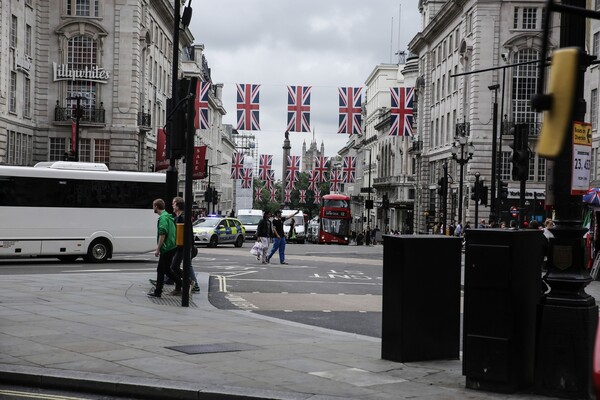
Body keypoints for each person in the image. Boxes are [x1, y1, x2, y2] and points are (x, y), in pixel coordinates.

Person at [148, 199, 181, 298]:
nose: (153, 208)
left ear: (156, 207)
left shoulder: (163, 218)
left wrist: (158, 249)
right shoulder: (168, 216)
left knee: (166, 270)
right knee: (161, 270)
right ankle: (158, 291)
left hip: (167, 248)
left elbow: (163, 233)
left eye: (153, 206)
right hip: (171, 246)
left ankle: (184, 283)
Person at [169, 197, 200, 295]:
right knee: (175, 266)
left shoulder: (182, 218)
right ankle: (178, 288)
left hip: (182, 247)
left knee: (174, 267)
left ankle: (189, 281)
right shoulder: (180, 217)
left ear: (178, 206)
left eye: (174, 204)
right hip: (181, 246)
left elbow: (183, 235)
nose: (172, 205)